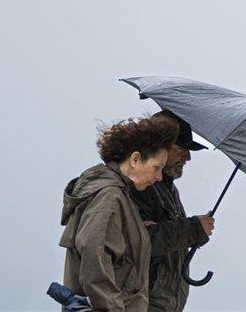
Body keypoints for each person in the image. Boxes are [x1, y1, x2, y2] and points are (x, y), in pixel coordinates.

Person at [58, 116, 178, 312]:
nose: (159, 177)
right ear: (135, 159)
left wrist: (136, 232)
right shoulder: (110, 197)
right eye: (157, 167)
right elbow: (95, 263)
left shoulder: (119, 197)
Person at [131, 110, 215, 312]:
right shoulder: (138, 184)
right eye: (182, 148)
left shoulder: (168, 189)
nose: (188, 157)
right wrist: (193, 229)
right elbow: (138, 241)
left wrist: (194, 231)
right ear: (159, 147)